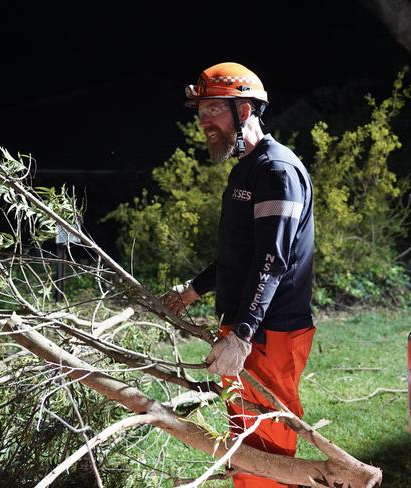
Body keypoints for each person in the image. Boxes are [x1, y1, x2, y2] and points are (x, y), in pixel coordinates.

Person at [161, 62, 315, 488]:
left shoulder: (277, 171)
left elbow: (272, 259)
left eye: (213, 109)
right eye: (201, 111)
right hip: (245, 326)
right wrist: (192, 291)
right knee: (244, 443)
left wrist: (243, 335)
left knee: (267, 445)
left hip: (270, 331)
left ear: (244, 109)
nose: (203, 121)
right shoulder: (245, 170)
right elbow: (240, 256)